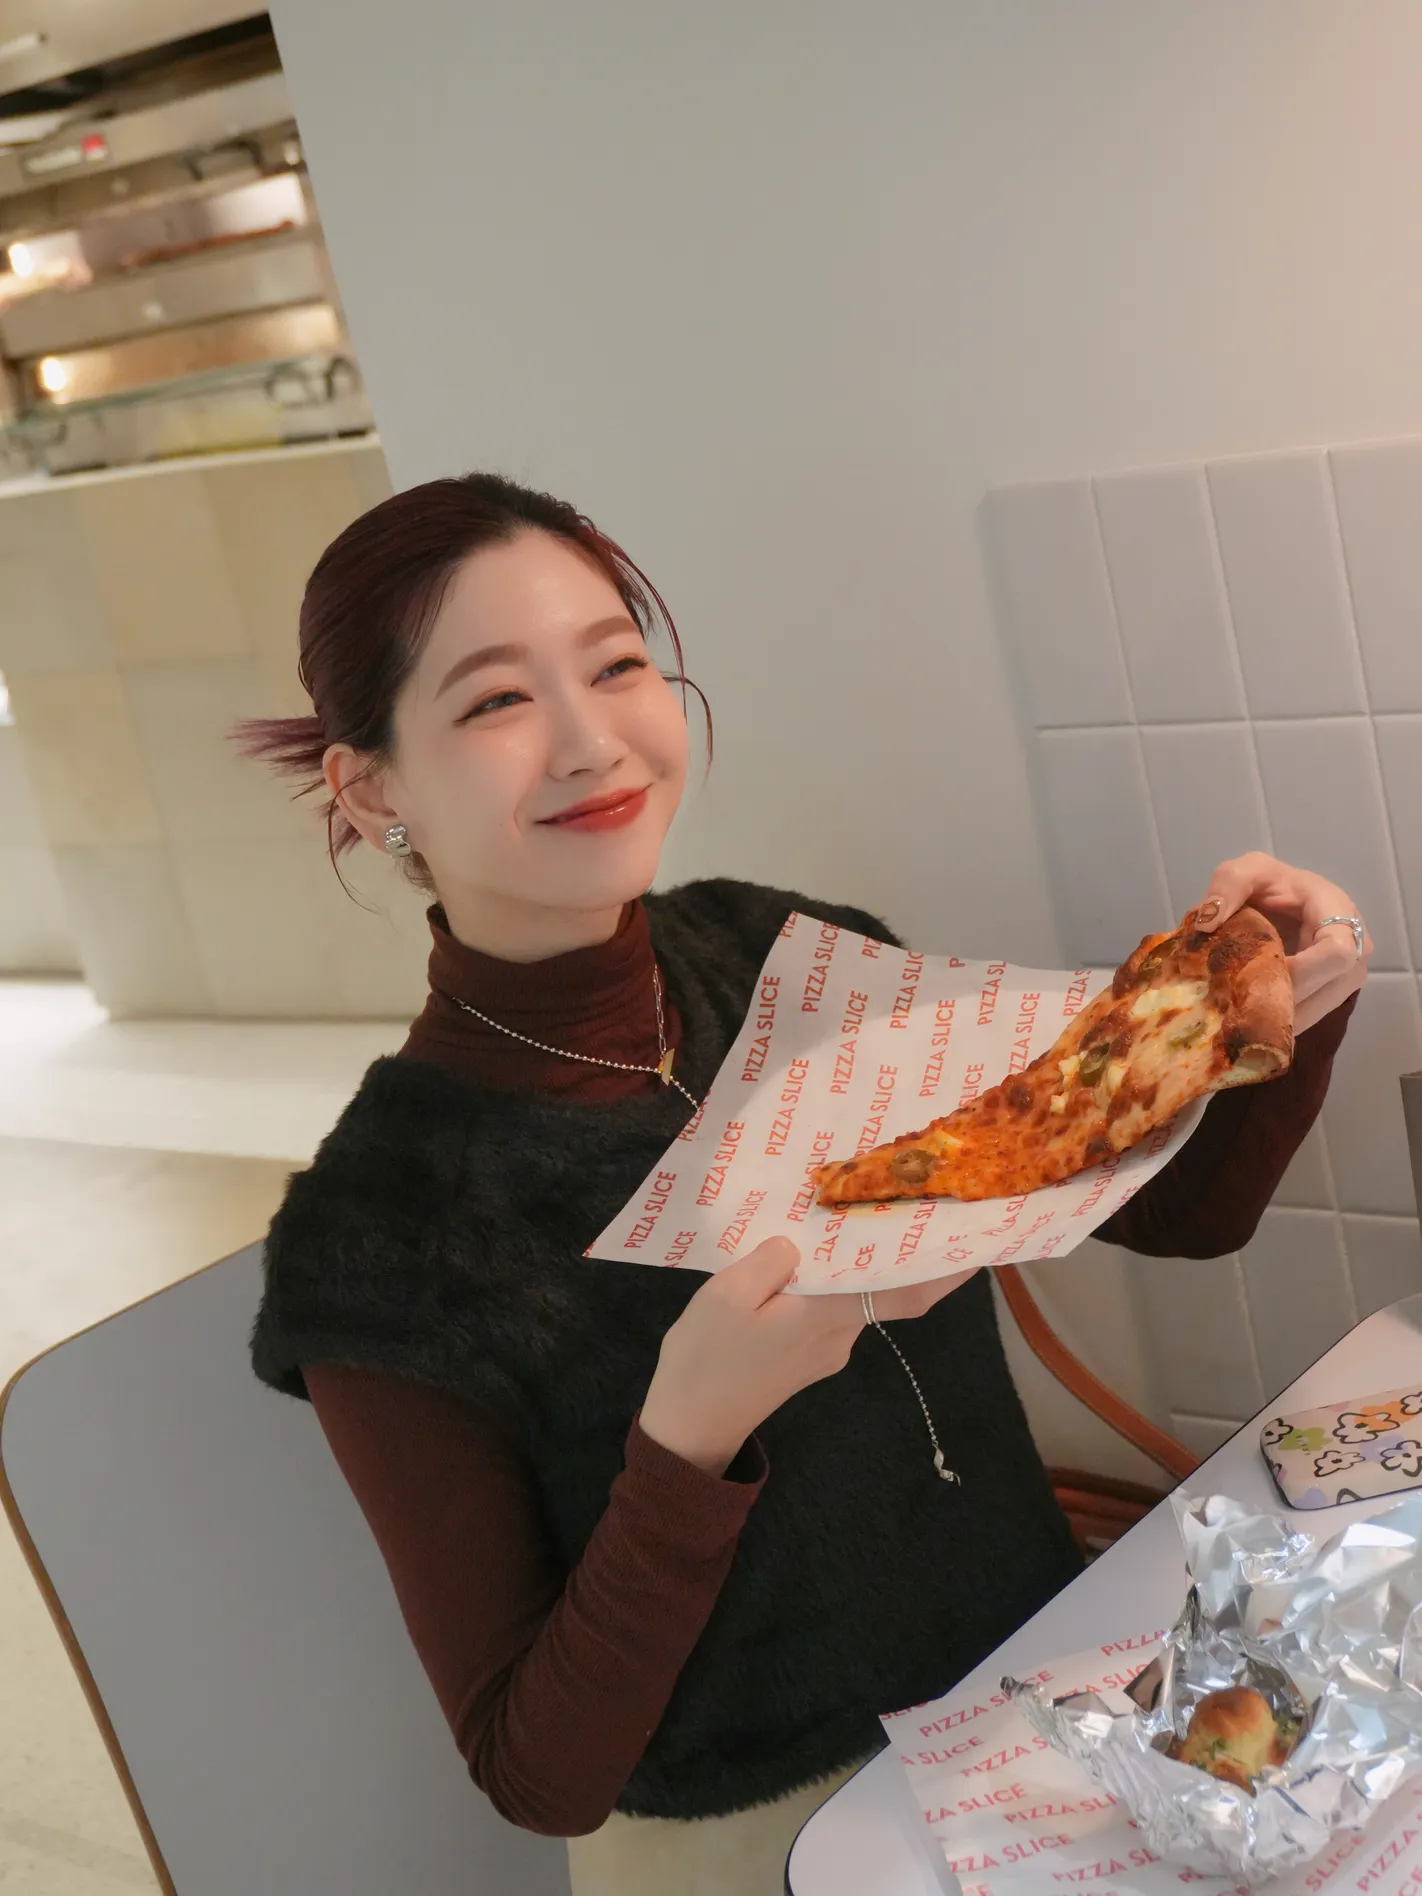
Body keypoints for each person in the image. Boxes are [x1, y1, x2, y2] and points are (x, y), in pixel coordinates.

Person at [238, 472, 1369, 1896]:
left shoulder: (789, 959)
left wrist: (1264, 1011)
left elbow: (1178, 1217)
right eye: (497, 701)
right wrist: (689, 1432)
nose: (593, 740)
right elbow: (538, 1776)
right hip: (773, 1836)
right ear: (372, 787)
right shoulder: (378, 1236)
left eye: (616, 665)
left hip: (1047, 1721)